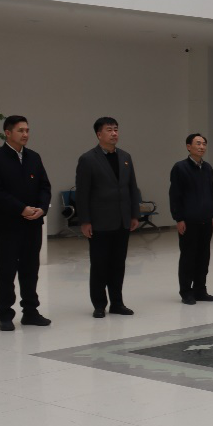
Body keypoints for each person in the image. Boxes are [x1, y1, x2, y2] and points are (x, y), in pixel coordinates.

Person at [0, 115, 52, 331]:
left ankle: (30, 312)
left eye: (27, 130)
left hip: (33, 224)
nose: (25, 134)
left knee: (30, 270)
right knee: (6, 271)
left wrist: (42, 208)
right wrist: (21, 208)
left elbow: (45, 186)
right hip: (8, 225)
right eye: (21, 130)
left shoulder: (34, 157)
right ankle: (5, 314)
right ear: (7, 133)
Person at [75, 117, 141, 318]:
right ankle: (99, 304)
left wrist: (134, 214)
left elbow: (132, 187)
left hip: (122, 220)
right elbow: (82, 193)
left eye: (116, 129)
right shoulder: (88, 159)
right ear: (99, 134)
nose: (114, 133)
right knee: (99, 265)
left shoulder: (125, 157)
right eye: (109, 130)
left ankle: (117, 303)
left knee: (118, 264)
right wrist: (85, 220)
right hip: (100, 221)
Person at [169, 133, 213, 305]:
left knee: (203, 257)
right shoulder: (180, 168)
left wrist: (212, 214)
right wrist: (179, 218)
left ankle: (200, 290)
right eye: (198, 143)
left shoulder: (208, 168)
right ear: (188, 146)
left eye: (204, 143)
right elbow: (175, 195)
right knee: (188, 257)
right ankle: (186, 291)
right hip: (188, 221)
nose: (202, 147)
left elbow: (211, 193)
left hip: (206, 219)